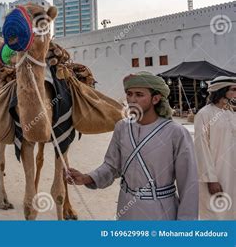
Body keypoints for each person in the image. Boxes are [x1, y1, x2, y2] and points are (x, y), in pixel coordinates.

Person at [65, 71, 199, 220]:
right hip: (126, 208)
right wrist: (87, 178)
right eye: (129, 94)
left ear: (155, 98)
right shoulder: (122, 127)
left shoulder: (176, 132)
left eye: (139, 95)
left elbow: (189, 183)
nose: (132, 99)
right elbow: (111, 166)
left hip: (160, 211)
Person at [194, 76, 236, 220]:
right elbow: (201, 148)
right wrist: (211, 179)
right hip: (216, 175)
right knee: (215, 214)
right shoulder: (204, 114)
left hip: (232, 174)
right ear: (221, 90)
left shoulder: (231, 113)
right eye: (234, 90)